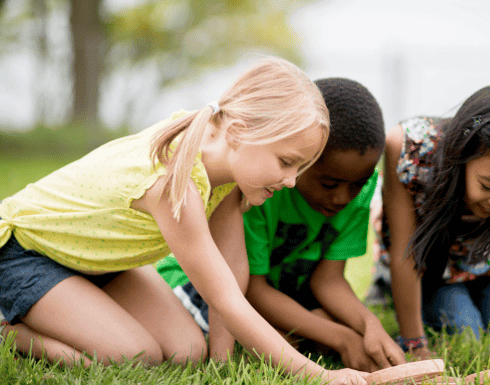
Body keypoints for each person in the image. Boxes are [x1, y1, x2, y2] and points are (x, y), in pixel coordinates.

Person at [0, 57, 367, 385]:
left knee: (187, 351)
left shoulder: (226, 168)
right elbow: (223, 296)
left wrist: (222, 362)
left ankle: (71, 310)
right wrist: (318, 375)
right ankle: (9, 332)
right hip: (26, 255)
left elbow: (231, 265)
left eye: (300, 167)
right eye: (287, 162)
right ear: (238, 134)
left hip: (95, 263)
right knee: (136, 354)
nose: (290, 180)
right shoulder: (174, 182)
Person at [159, 78, 406, 372]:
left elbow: (327, 280)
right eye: (329, 183)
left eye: (358, 185)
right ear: (303, 160)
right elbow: (248, 288)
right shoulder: (265, 187)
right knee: (298, 337)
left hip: (280, 291)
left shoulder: (358, 193)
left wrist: (369, 325)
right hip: (209, 287)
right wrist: (342, 338)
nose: (343, 197)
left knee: (325, 323)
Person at [367, 84, 490, 376]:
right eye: (489, 185)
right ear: (463, 155)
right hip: (430, 269)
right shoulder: (410, 151)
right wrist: (415, 344)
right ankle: (382, 287)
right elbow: (406, 251)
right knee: (466, 333)